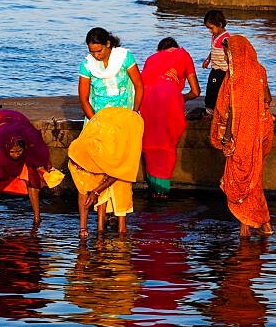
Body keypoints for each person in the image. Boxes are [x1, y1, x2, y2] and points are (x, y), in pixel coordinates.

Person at [209, 35, 275, 237]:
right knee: (254, 178)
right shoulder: (259, 71)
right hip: (258, 132)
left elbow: (227, 109)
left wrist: (227, 135)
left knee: (239, 180)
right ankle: (261, 225)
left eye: (228, 53)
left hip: (240, 135)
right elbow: (267, 99)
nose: (227, 57)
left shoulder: (233, 77)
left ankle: (247, 227)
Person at [68, 106, 144, 238]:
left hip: (125, 128)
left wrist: (96, 191)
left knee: (122, 189)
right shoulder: (76, 157)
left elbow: (118, 172)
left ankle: (121, 233)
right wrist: (83, 228)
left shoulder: (112, 151)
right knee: (100, 196)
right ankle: (100, 229)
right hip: (105, 126)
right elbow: (82, 195)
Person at [140, 37, 201, 197]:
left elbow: (141, 84)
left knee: (151, 140)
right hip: (170, 97)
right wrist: (181, 98)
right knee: (167, 142)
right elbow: (195, 92)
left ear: (160, 50)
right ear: (175, 47)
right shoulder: (183, 55)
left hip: (146, 99)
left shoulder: (151, 59)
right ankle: (163, 190)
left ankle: (154, 188)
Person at [78, 27, 144, 121]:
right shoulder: (87, 65)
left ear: (108, 44)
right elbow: (83, 99)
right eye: (92, 52)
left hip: (125, 113)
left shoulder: (124, 57)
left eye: (99, 51)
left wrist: (134, 112)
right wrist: (95, 122)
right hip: (99, 115)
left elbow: (139, 85)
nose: (96, 55)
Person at [201, 10, 230, 116]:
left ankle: (213, 109)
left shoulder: (225, 38)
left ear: (220, 25)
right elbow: (213, 49)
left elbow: (229, 53)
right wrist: (208, 59)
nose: (210, 31)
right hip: (215, 67)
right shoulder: (214, 36)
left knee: (216, 89)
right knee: (211, 87)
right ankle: (210, 109)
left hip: (222, 70)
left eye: (211, 28)